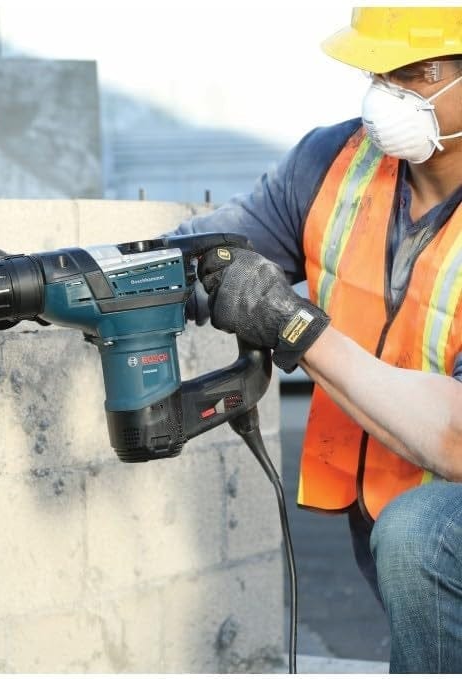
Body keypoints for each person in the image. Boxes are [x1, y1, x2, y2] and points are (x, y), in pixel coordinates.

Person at [173, 7, 462, 673]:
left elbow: (456, 438)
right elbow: (212, 251)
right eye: (378, 71)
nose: (387, 94)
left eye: (415, 72)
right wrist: (56, 277)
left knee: (422, 537)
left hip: (433, 513)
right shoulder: (337, 162)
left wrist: (293, 325)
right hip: (391, 503)